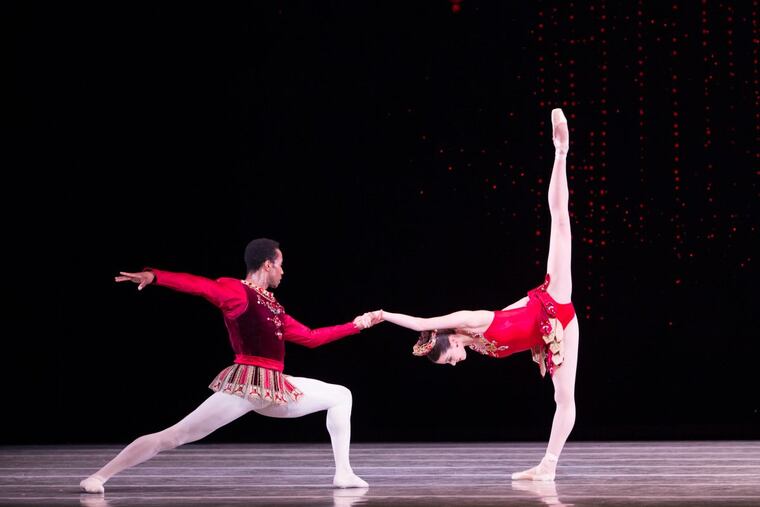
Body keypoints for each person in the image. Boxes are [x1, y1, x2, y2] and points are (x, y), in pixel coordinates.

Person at [80, 238, 378, 493]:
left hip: (276, 388)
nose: (284, 271)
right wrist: (155, 276)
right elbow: (199, 286)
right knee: (175, 436)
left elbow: (310, 337)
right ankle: (98, 476)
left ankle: (344, 474)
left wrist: (355, 326)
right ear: (267, 264)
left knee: (341, 395)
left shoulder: (273, 306)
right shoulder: (237, 291)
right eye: (281, 264)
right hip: (247, 386)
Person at [377, 109, 578, 481]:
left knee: (560, 222)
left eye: (448, 357)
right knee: (563, 399)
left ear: (450, 338)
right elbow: (513, 316)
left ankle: (560, 150)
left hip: (554, 304)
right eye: (451, 363)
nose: (454, 363)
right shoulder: (476, 342)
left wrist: (383, 315)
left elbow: (423, 323)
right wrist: (531, 311)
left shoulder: (470, 320)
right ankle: (548, 468)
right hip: (551, 329)